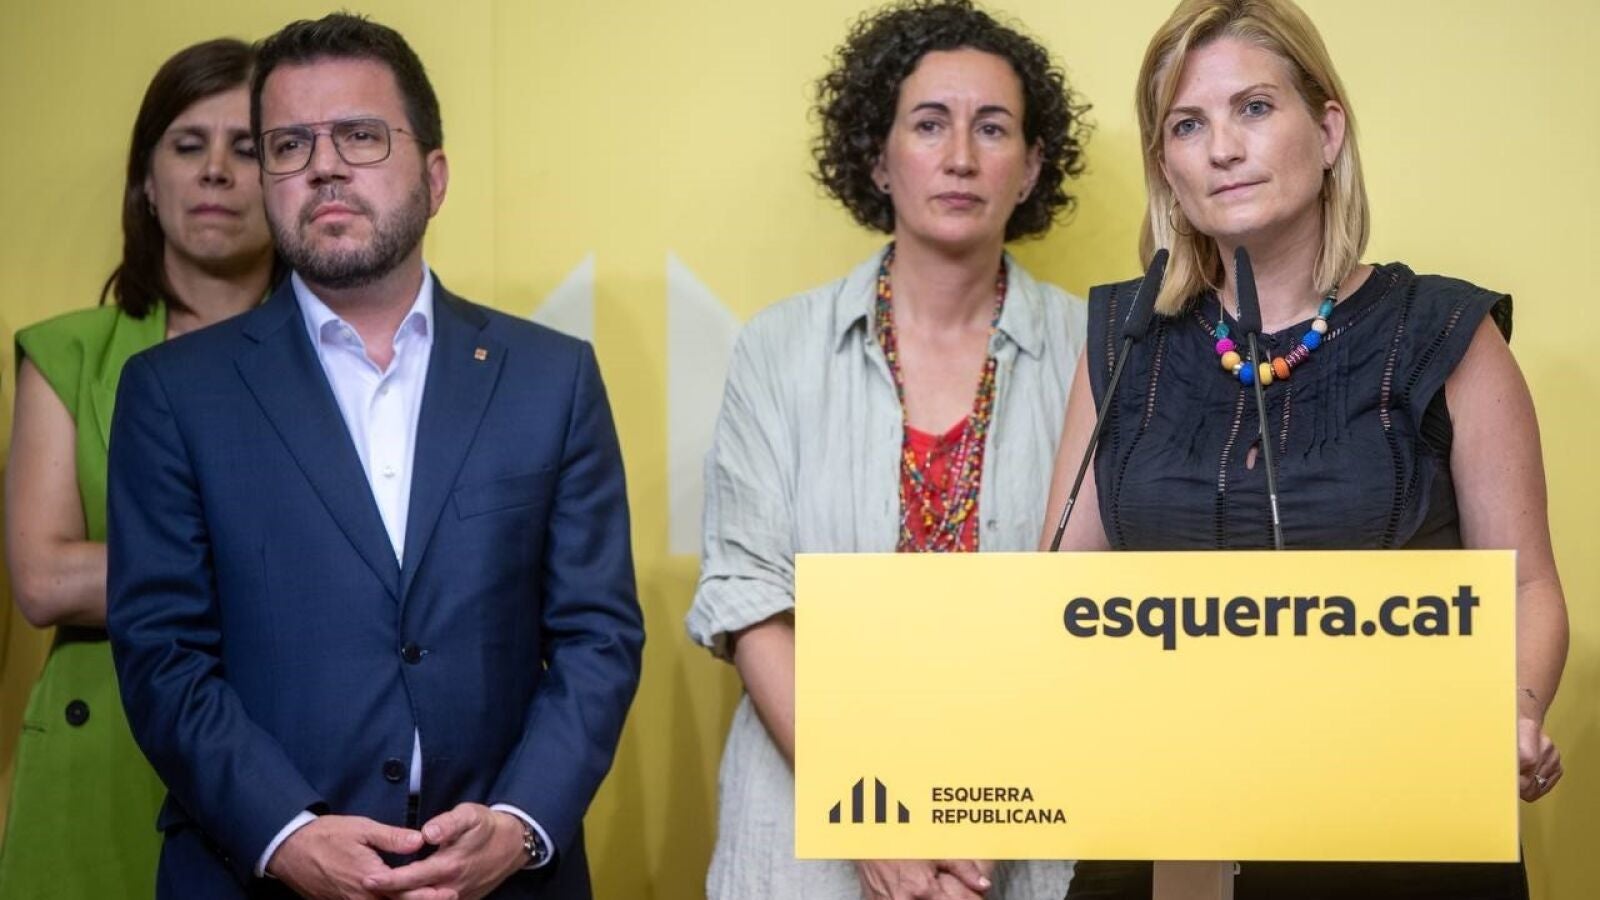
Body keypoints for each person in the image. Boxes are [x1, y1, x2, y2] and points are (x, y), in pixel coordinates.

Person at [105, 13, 643, 899]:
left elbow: (599, 638)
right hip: (256, 875)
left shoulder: (551, 378)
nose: (324, 165)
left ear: (435, 177)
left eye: (360, 135)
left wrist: (520, 824)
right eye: (289, 145)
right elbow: (163, 655)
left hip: (503, 878)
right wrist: (285, 834)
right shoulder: (174, 393)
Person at [1043, 1, 1567, 897]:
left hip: (1401, 838)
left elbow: (1525, 587)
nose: (1223, 148)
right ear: (1166, 165)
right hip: (1165, 830)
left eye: (1253, 108)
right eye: (1187, 125)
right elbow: (1061, 597)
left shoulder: (1445, 329)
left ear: (1327, 131)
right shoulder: (1125, 339)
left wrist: (1514, 714)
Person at [685, 2, 1091, 898]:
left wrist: (984, 821)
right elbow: (749, 596)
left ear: (1031, 166)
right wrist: (869, 806)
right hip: (803, 842)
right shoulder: (779, 349)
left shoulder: (1096, 355)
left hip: (1022, 837)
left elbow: (1096, 614)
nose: (960, 157)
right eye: (929, 124)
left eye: (993, 128)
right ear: (877, 155)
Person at [0, 37, 278, 898]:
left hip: (280, 756)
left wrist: (140, 570)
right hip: (98, 757)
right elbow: (44, 578)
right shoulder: (70, 352)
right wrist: (270, 568)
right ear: (146, 184)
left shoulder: (338, 359)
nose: (216, 169)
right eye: (188, 145)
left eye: (247, 147)